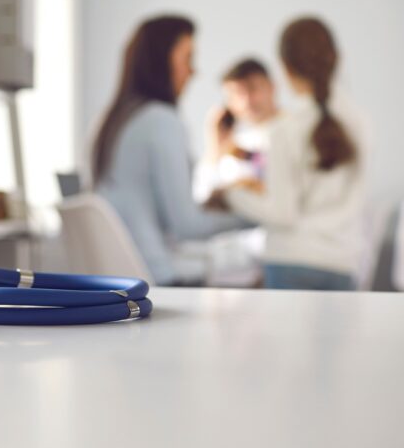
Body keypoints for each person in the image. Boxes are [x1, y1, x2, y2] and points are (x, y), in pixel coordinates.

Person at [93, 15, 246, 285]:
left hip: (119, 279)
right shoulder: (162, 121)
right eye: (188, 59)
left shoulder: (114, 121)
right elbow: (187, 226)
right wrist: (252, 216)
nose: (193, 71)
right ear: (161, 61)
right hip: (157, 279)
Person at [220, 17, 365, 290]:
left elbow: (281, 213)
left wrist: (231, 195)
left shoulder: (285, 130)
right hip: (342, 263)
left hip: (290, 261)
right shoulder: (363, 125)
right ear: (337, 59)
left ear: (284, 70)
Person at [193, 58, 279, 202]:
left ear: (271, 87)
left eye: (252, 88)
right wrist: (215, 148)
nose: (247, 101)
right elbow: (201, 196)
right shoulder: (232, 148)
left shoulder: (296, 131)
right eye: (237, 93)